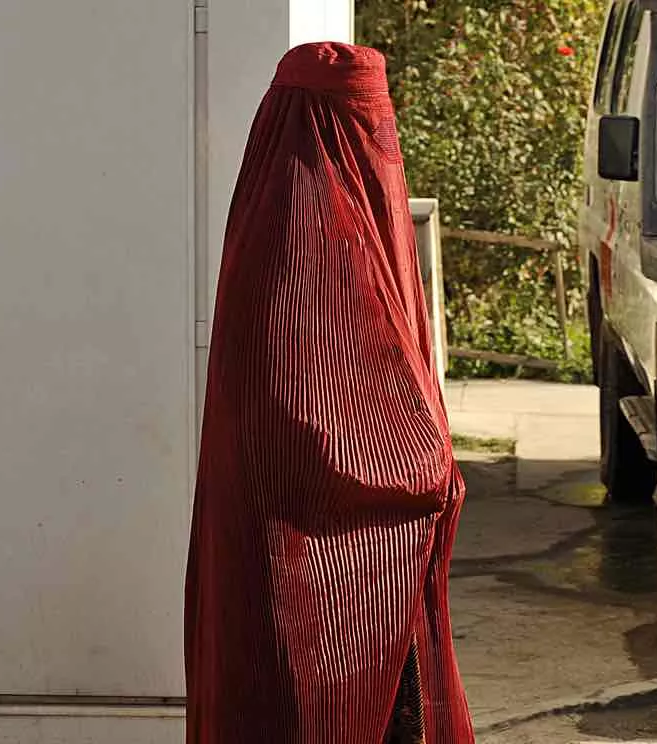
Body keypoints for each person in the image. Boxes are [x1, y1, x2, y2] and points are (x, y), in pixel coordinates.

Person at [184, 41, 474, 744]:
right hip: (297, 546)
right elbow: (296, 421)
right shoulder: (286, 238)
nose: (380, 146)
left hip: (327, 557)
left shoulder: (345, 228)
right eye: (364, 126)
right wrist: (423, 474)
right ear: (331, 130)